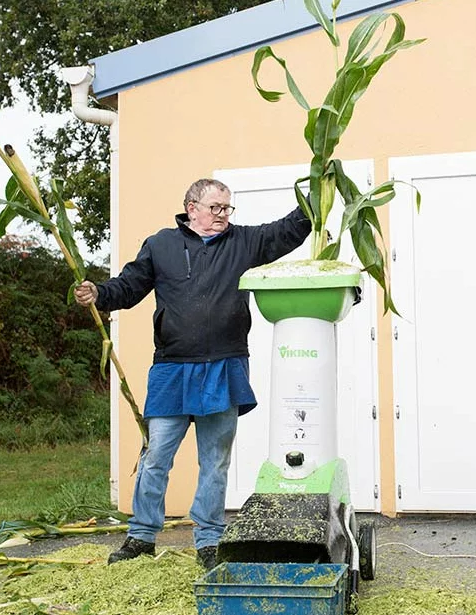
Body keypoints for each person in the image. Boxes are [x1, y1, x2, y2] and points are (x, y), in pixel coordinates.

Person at [74, 178, 311, 569]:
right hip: (172, 368)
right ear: (192, 207)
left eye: (227, 208)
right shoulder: (161, 245)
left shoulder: (242, 241)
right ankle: (141, 537)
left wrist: (314, 200)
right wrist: (99, 293)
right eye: (216, 208)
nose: (223, 216)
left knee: (215, 461)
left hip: (225, 366)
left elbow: (285, 232)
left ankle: (209, 541)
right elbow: (130, 286)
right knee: (155, 457)